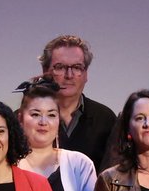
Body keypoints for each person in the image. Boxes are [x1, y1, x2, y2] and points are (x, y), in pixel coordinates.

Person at [38, 35, 117, 168]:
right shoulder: (26, 120)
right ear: (45, 72)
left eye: (77, 67)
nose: (69, 75)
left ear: (86, 74)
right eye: (60, 67)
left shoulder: (105, 118)